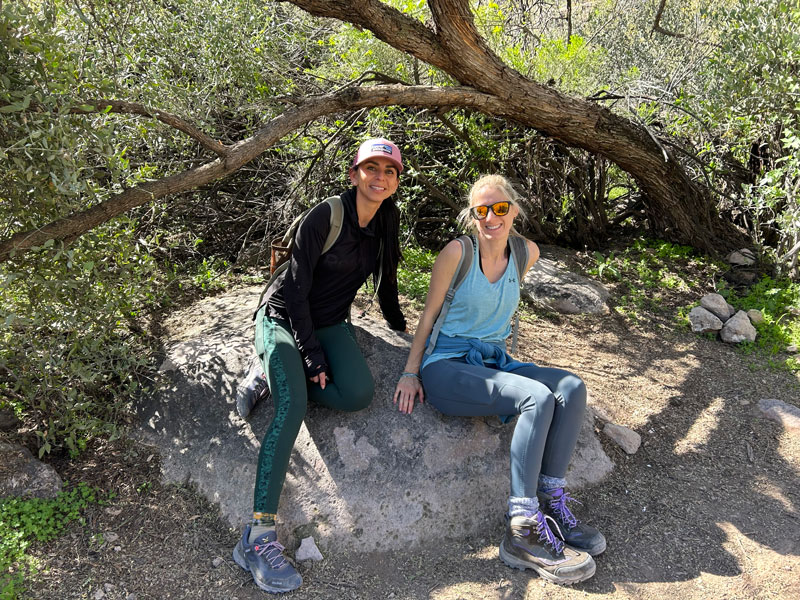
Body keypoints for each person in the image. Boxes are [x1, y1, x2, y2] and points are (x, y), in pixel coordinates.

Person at [392, 174, 604, 586]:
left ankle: (551, 502)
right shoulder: (457, 253)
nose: (491, 217)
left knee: (571, 388)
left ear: (515, 210)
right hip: (448, 367)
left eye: (500, 208)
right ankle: (522, 532)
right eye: (481, 210)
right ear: (472, 216)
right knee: (536, 399)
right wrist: (410, 370)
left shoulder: (527, 253)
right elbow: (428, 316)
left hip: (494, 361)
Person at [234, 138, 407, 594]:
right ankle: (257, 535)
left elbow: (386, 285)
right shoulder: (327, 215)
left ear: (395, 181)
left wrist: (404, 333)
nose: (379, 177)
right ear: (353, 175)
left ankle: (279, 375)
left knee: (357, 394)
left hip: (330, 321)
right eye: (370, 167)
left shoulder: (387, 220)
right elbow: (293, 289)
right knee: (291, 408)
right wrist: (309, 354)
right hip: (285, 317)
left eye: (388, 171)